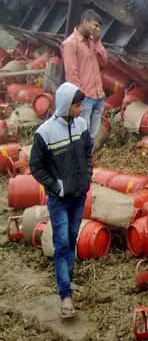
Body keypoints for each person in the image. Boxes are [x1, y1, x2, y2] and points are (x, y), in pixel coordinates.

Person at [29, 82, 93, 319]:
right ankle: (65, 295)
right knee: (62, 243)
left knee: (72, 239)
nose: (80, 109)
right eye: (76, 105)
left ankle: (69, 280)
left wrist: (87, 177)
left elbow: (88, 151)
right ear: (66, 104)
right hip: (59, 199)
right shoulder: (45, 133)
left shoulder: (82, 125)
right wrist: (56, 186)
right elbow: (36, 166)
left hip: (79, 194)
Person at [61, 9, 107, 147]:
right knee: (81, 134)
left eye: (99, 27)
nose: (97, 29)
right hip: (85, 97)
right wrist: (77, 99)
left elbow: (104, 62)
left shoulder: (93, 41)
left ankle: (87, 162)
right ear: (85, 22)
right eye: (95, 25)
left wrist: (98, 42)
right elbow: (71, 73)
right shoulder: (70, 43)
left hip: (98, 95)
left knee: (92, 136)